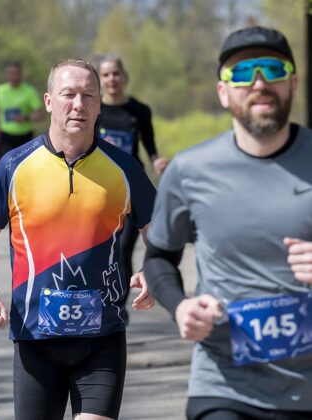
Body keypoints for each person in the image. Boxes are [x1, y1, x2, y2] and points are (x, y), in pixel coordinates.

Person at [0, 58, 156, 420]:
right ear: (48, 101)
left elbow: (159, 232)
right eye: (68, 94)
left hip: (103, 338)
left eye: (88, 96)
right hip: (34, 339)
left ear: (99, 105)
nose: (78, 105)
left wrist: (153, 271)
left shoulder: (124, 168)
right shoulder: (14, 166)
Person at [144, 26, 312, 420]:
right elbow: (159, 258)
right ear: (223, 92)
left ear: (293, 83)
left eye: (273, 69)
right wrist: (180, 306)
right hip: (225, 384)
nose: (259, 83)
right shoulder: (189, 170)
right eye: (242, 73)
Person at [95, 54, 168, 322]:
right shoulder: (94, 109)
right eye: (106, 75)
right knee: (101, 249)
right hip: (99, 187)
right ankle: (98, 300)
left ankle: (118, 307)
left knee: (123, 249)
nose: (111, 79)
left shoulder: (139, 110)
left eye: (116, 73)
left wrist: (156, 160)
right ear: (100, 79)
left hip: (130, 187)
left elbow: (149, 142)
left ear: (124, 77)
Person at [0, 60, 45, 157]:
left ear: (21, 74)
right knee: (7, 163)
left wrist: (25, 118)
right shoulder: (0, 90)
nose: (14, 76)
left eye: (16, 73)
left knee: (24, 164)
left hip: (24, 137)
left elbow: (40, 114)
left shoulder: (29, 91)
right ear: (6, 74)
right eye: (11, 73)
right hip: (5, 136)